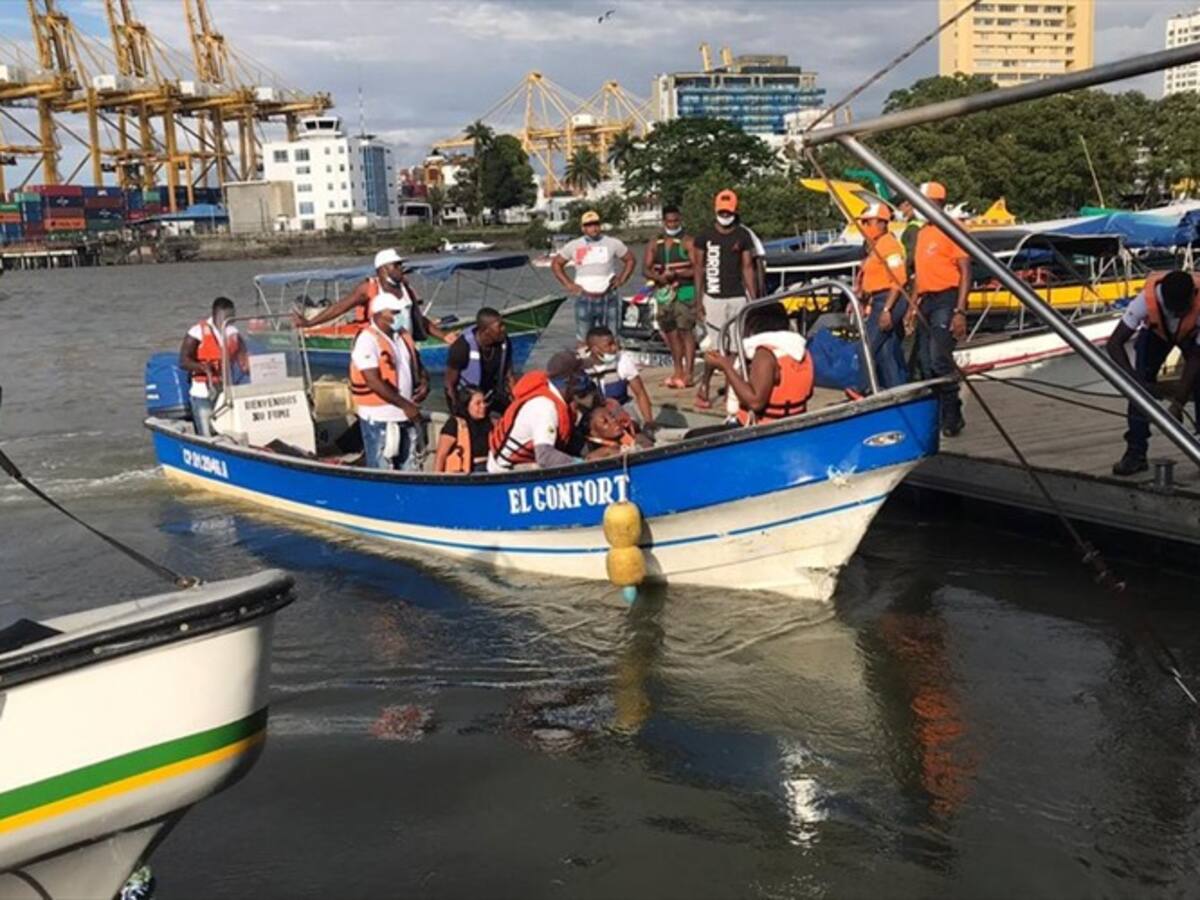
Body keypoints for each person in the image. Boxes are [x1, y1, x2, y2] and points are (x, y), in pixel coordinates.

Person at [1106, 269, 1200, 476]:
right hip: (1157, 333)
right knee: (1138, 391)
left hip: (1192, 336)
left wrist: (1178, 403)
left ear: (1193, 297)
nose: (1176, 314)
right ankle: (1136, 454)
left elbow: (1196, 358)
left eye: (1182, 309)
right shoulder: (1144, 301)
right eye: (1172, 309)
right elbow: (1114, 343)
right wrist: (1134, 382)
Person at [908, 181, 971, 437]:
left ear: (935, 202)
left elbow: (966, 271)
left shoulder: (952, 229)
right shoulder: (923, 233)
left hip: (947, 298)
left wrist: (960, 310)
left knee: (939, 359)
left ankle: (952, 413)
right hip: (926, 300)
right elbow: (919, 275)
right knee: (924, 361)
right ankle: (936, 414)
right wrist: (913, 305)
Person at [293, 248, 457, 344]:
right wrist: (309, 323)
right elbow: (339, 308)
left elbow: (418, 318)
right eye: (397, 265)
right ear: (384, 269)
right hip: (379, 348)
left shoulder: (405, 288)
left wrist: (444, 336)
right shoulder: (369, 288)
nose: (402, 268)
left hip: (405, 347)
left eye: (401, 264)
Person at [691, 189, 759, 410]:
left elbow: (748, 267)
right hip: (713, 297)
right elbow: (699, 268)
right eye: (721, 211)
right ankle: (705, 384)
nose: (725, 215)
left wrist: (755, 299)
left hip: (737, 297)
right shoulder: (705, 237)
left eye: (728, 211)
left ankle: (732, 389)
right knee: (717, 350)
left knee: (734, 349)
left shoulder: (743, 235)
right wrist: (698, 300)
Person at [348, 292, 427, 470]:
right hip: (380, 417)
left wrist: (424, 381)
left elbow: (417, 363)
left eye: (401, 311)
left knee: (409, 466)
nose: (400, 316)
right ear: (379, 314)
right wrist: (406, 406)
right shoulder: (367, 340)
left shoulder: (402, 336)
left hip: (405, 414)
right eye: (395, 312)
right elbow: (373, 381)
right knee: (382, 466)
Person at [704, 302, 813, 426]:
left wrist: (726, 367)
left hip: (761, 428)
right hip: (794, 422)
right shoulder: (801, 351)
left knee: (692, 436)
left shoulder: (765, 355)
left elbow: (755, 403)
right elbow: (808, 393)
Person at [488, 351, 588, 472]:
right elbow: (545, 456)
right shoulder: (545, 408)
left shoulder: (558, 399)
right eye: (580, 373)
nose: (584, 376)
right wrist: (583, 465)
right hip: (507, 469)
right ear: (568, 380)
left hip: (531, 458)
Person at [551, 211, 635, 342]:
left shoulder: (613, 243)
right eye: (589, 225)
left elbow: (630, 259)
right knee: (583, 339)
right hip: (584, 297)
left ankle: (611, 361)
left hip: (608, 297)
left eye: (596, 224)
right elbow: (556, 263)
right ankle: (585, 361)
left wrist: (622, 279)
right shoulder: (574, 245)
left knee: (612, 338)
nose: (593, 228)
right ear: (583, 228)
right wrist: (568, 284)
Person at [854, 202, 910, 388]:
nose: (864, 227)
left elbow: (899, 279)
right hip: (878, 299)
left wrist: (887, 309)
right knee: (885, 351)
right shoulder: (876, 247)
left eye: (867, 223)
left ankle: (865, 388)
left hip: (888, 299)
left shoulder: (889, 245)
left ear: (881, 223)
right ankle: (895, 388)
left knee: (867, 347)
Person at [179, 296, 250, 437]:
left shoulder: (233, 333)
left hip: (226, 392)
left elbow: (244, 360)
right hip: (203, 392)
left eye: (232, 316)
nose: (230, 319)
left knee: (228, 432)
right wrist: (203, 367)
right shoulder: (197, 332)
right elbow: (183, 361)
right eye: (226, 316)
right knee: (207, 433)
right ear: (215, 314)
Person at [643, 206, 697, 388]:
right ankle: (677, 371)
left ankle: (688, 374)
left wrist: (677, 275)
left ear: (680, 220)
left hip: (685, 291)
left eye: (675, 221)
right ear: (663, 221)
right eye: (669, 221)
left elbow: (698, 268)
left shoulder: (688, 241)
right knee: (670, 332)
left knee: (686, 331)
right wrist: (659, 278)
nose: (672, 224)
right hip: (664, 293)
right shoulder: (655, 242)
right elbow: (645, 268)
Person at [444, 307, 514, 416]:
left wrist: (516, 401)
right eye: (499, 326)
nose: (504, 329)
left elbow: (509, 375)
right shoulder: (462, 346)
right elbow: (449, 384)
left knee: (515, 413)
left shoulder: (504, 342)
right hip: (469, 400)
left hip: (491, 394)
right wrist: (457, 413)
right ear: (486, 331)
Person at [578, 326, 654, 426]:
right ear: (595, 349)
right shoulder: (580, 365)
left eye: (614, 343)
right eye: (609, 345)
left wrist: (649, 422)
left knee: (632, 425)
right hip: (593, 413)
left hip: (621, 408)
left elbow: (640, 393)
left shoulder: (623, 360)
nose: (614, 348)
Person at [434, 387, 492, 474]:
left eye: (484, 402)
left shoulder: (489, 423)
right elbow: (441, 455)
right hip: (466, 472)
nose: (483, 406)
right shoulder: (455, 424)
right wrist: (437, 479)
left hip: (489, 468)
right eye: (478, 403)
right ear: (466, 405)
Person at [583, 404, 652, 460]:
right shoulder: (594, 456)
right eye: (605, 421)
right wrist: (608, 451)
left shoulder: (637, 438)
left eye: (612, 416)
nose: (613, 420)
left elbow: (649, 446)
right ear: (594, 433)